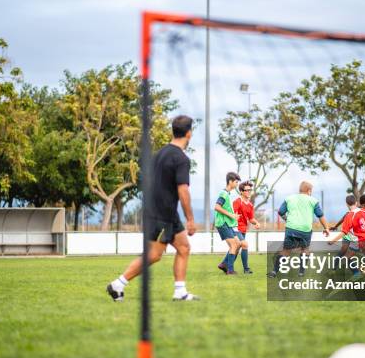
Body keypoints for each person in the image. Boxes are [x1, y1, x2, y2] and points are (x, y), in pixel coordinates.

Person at [106, 115, 198, 302]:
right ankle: (118, 284)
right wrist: (190, 219)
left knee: (183, 247)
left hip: (163, 213)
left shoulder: (160, 154)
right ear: (189, 133)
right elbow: (183, 190)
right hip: (161, 215)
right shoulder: (181, 158)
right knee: (154, 255)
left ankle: (180, 291)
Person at [268, 181, 331, 278]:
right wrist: (326, 228)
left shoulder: (289, 198)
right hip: (305, 230)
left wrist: (286, 219)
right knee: (305, 249)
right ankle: (301, 272)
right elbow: (320, 215)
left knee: (286, 251)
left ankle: (274, 271)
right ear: (309, 191)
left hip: (291, 228)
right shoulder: (313, 200)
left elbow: (281, 211)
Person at [218, 180, 260, 274]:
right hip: (236, 228)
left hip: (243, 229)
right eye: (246, 190)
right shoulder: (237, 202)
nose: (249, 191)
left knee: (236, 248)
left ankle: (224, 264)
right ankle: (246, 269)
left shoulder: (250, 205)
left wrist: (256, 223)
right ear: (241, 191)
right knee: (244, 244)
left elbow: (251, 218)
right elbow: (232, 215)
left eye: (250, 190)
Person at [214, 172, 241, 275]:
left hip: (227, 224)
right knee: (234, 245)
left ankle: (224, 264)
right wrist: (231, 215)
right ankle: (230, 270)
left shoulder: (228, 194)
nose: (237, 184)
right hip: (222, 224)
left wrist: (234, 216)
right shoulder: (224, 193)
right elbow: (217, 207)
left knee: (238, 244)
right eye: (236, 182)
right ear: (230, 182)